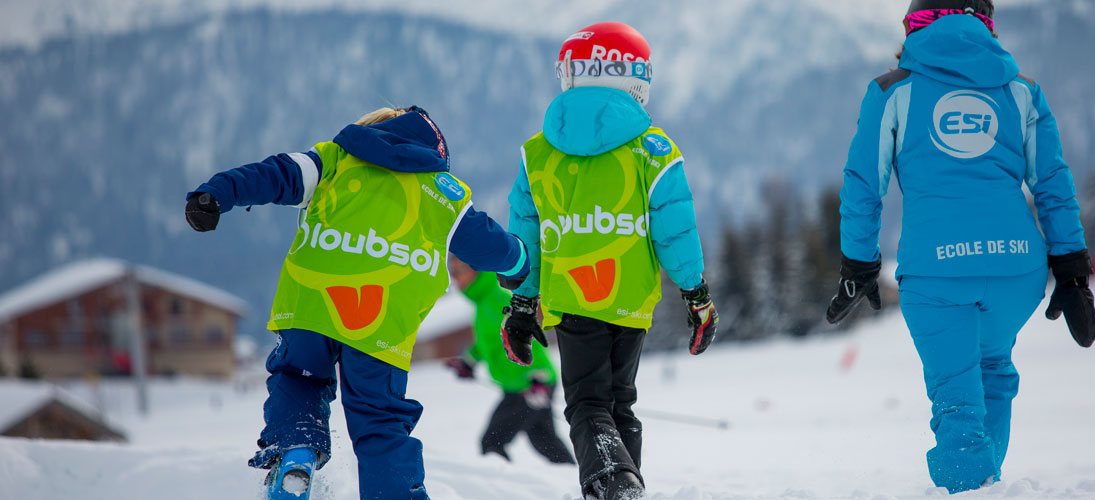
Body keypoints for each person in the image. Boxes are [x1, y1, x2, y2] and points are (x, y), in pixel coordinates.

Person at [184, 106, 529, 500]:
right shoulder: (441, 191)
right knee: (380, 421)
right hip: (379, 323)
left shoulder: (332, 158)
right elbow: (490, 245)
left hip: (309, 305)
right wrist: (520, 262)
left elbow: (273, 173)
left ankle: (296, 451)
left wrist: (216, 193)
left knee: (299, 378)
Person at [826, 0, 1095, 493]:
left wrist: (858, 265)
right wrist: (1073, 272)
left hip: (938, 273)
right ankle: (988, 485)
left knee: (957, 399)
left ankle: (971, 489)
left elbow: (864, 185)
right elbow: (1053, 184)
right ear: (986, 24)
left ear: (914, 25)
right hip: (1017, 271)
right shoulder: (1023, 91)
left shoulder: (892, 90)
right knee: (993, 368)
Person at [501, 21, 719, 500]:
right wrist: (696, 295)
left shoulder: (536, 154)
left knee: (587, 404)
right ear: (636, 77)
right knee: (620, 401)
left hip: (573, 298)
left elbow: (526, 236)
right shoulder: (653, 148)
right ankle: (625, 488)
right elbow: (675, 229)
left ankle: (617, 487)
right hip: (631, 296)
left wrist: (521, 304)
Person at [444, 257, 575, 465]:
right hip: (519, 384)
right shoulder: (483, 302)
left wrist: (538, 377)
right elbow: (490, 343)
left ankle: (499, 485)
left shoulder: (496, 298)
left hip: (528, 385)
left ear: (477, 269)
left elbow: (525, 334)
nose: (457, 279)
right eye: (453, 273)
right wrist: (468, 362)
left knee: (492, 441)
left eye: (461, 271)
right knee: (544, 439)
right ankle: (573, 479)